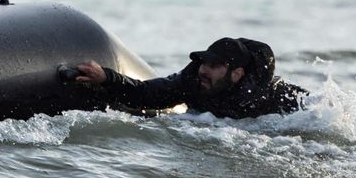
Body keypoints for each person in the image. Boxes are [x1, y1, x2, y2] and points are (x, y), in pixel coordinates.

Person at [74, 38, 306, 119]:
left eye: (214, 66)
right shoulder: (193, 82)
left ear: (237, 74)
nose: (204, 70)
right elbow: (146, 95)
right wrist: (106, 78)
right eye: (204, 62)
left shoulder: (271, 95)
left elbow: (314, 119)